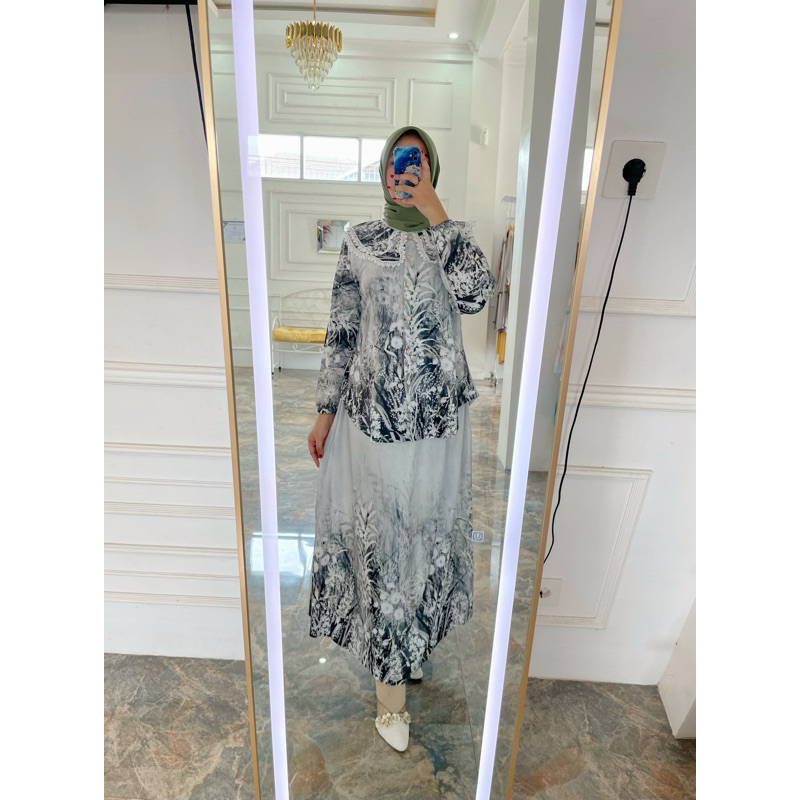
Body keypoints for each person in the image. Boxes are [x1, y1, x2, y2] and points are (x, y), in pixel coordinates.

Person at [306, 125, 496, 752]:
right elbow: (341, 328)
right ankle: (390, 690)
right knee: (383, 544)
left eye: (415, 162)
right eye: (395, 160)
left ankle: (410, 642)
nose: (403, 170)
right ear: (382, 169)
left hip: (437, 424)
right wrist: (325, 411)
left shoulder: (453, 237)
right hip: (373, 422)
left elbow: (476, 297)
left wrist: (436, 212)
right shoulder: (360, 240)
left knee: (423, 535)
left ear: (431, 169)